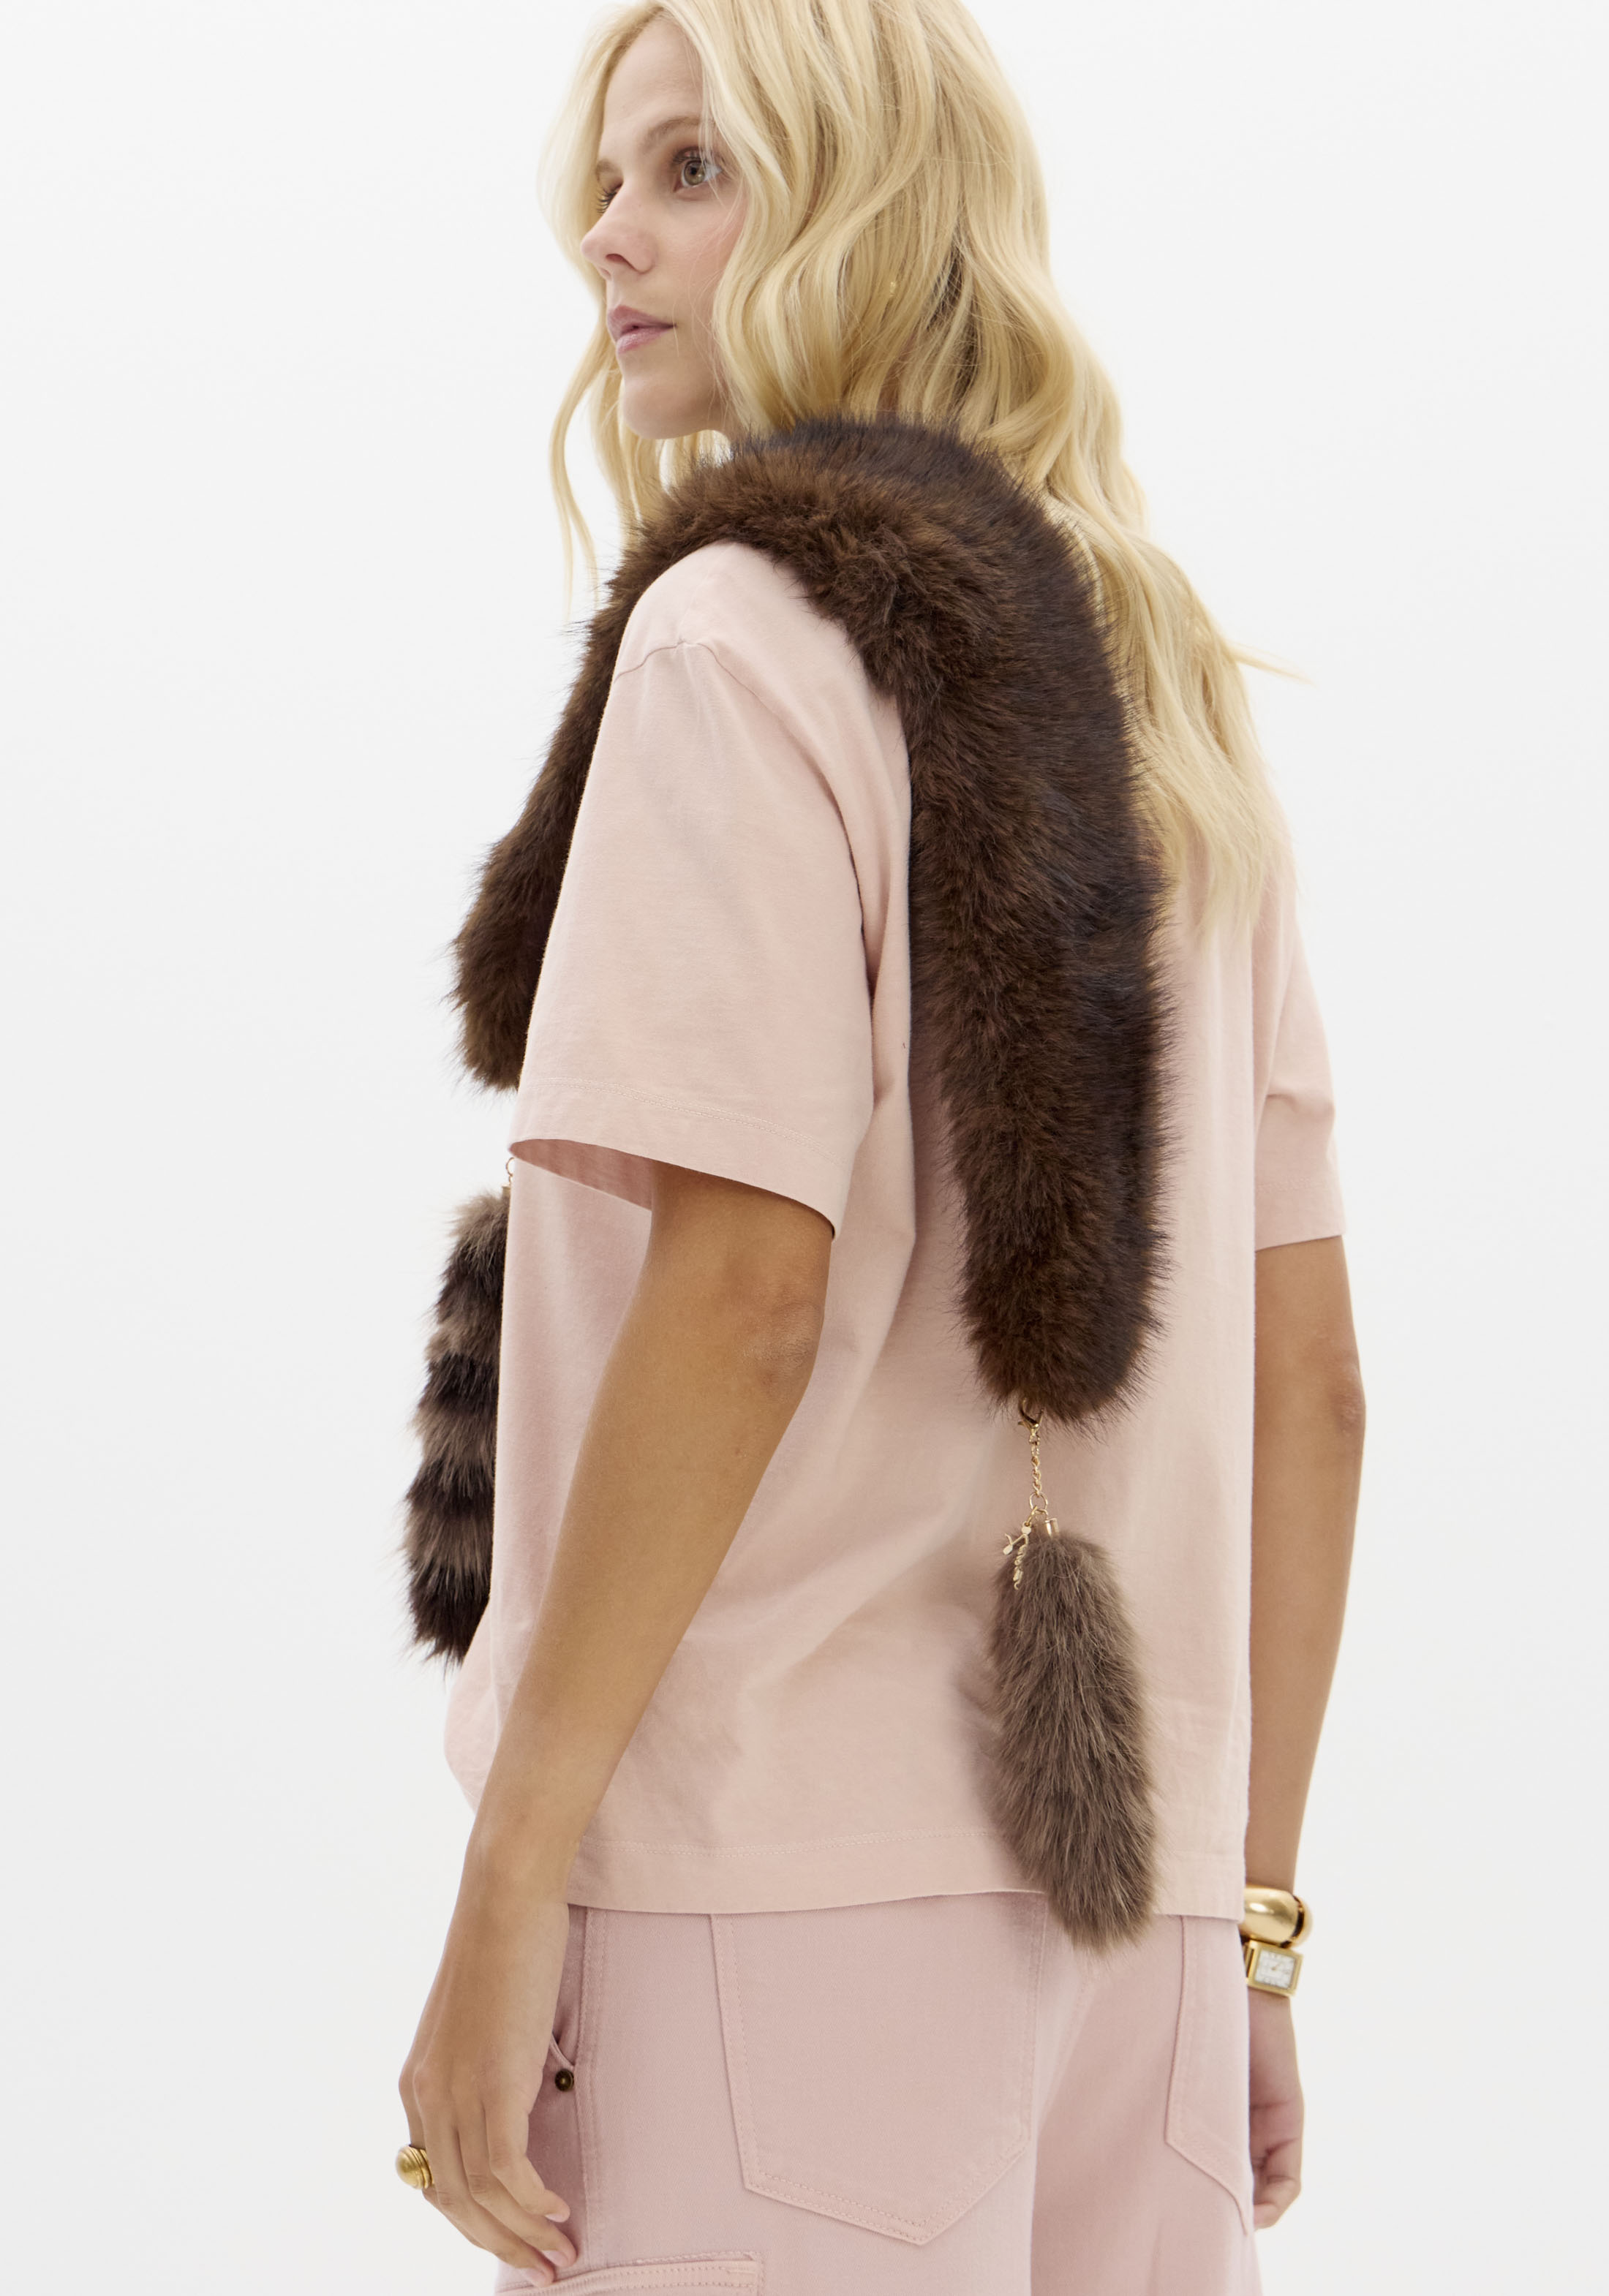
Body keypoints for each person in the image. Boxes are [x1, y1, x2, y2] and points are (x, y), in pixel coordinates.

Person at [396, 2, 1365, 2289]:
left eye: (692, 168)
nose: (609, 236)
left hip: (772, 1905)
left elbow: (746, 1293)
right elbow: (1314, 1382)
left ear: (859, 202)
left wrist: (511, 1874)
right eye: (608, 178)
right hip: (1138, 1918)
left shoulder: (743, 633)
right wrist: (1253, 1914)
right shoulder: (1166, 682)